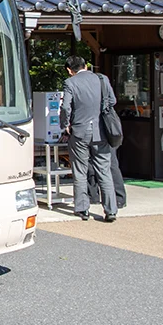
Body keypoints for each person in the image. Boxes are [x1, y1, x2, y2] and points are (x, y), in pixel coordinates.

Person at [60, 55, 118, 222]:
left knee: (80, 171)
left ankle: (82, 209)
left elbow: (65, 107)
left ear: (70, 70)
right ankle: (110, 210)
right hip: (101, 131)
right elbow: (112, 101)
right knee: (104, 171)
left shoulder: (70, 83)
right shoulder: (102, 79)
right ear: (85, 65)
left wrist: (65, 124)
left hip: (79, 132)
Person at [84, 63, 127, 209]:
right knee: (107, 162)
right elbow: (112, 100)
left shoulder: (93, 81)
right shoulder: (102, 79)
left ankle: (98, 196)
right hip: (103, 125)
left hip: (97, 126)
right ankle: (115, 197)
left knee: (102, 162)